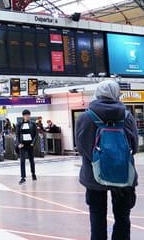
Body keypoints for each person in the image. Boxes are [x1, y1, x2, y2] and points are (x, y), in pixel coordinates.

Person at [76, 80, 138, 240]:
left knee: (97, 216)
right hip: (123, 175)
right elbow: (135, 147)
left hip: (94, 176)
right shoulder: (127, 116)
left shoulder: (86, 117)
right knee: (123, 217)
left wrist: (98, 161)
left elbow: (81, 148)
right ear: (117, 94)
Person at [16, 109, 37, 184]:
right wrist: (18, 143)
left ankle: (33, 174)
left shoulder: (33, 123)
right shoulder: (19, 124)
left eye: (28, 115)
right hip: (23, 145)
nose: (27, 116)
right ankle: (23, 177)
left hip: (30, 144)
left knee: (31, 160)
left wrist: (33, 143)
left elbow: (35, 135)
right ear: (23, 116)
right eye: (26, 115)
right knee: (22, 161)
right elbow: (17, 135)